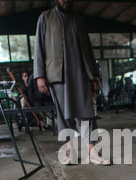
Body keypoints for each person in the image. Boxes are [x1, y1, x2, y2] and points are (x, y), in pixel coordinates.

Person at [33, 0, 110, 165]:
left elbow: (88, 48)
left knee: (87, 112)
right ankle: (70, 150)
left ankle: (92, 152)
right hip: (57, 74)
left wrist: (94, 75)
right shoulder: (45, 18)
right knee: (63, 112)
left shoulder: (79, 19)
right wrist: (39, 75)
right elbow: (38, 47)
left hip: (81, 73)